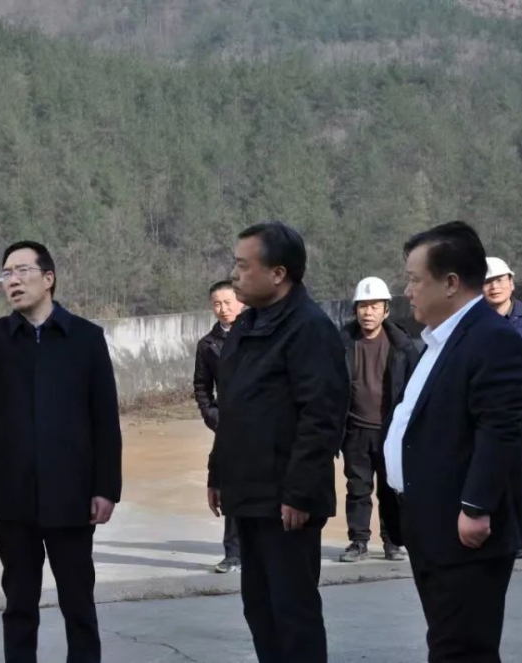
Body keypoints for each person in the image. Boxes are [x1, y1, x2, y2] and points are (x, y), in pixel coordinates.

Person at [0, 241, 122, 663]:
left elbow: (104, 418)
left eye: (23, 270)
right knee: (19, 602)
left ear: (49, 278)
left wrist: (106, 487)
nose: (13, 280)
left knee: (78, 600)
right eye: (7, 273)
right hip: (11, 491)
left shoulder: (85, 338)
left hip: (71, 492)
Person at [383, 222, 522, 663]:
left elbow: (501, 430)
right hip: (431, 522)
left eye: (415, 280)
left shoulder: (493, 340)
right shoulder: (439, 341)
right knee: (450, 641)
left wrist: (476, 507)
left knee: (462, 648)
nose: (407, 291)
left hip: (465, 530)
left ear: (450, 283)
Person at [208, 221, 350, 663]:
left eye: (243, 266)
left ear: (278, 273)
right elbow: (233, 408)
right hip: (248, 493)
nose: (235, 276)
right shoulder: (246, 326)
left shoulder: (309, 329)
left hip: (287, 502)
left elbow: (321, 417)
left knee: (293, 613)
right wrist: (217, 472)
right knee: (260, 608)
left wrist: (300, 492)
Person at [338, 277, 419, 563]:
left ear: (386, 311)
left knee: (390, 489)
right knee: (357, 488)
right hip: (355, 429)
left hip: (390, 431)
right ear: (355, 310)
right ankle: (358, 541)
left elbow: (415, 388)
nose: (368, 312)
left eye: (374, 306)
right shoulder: (341, 343)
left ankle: (392, 542)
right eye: (363, 306)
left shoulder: (402, 345)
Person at [483, 256, 522, 559]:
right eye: (487, 282)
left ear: (511, 282)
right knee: (486, 476)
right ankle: (492, 537)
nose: (494, 286)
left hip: (521, 418)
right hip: (483, 417)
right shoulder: (474, 323)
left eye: (499, 280)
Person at [194, 279, 243, 573]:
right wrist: (213, 416)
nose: (223, 309)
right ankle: (233, 554)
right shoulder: (208, 345)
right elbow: (202, 387)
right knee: (230, 486)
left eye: (228, 302)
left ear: (241, 302)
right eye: (217, 304)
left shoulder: (256, 333)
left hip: (259, 423)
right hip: (228, 426)